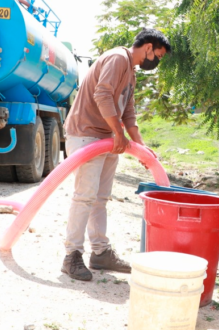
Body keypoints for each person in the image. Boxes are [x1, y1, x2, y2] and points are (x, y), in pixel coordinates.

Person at [61, 29, 171, 281]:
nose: (157, 61)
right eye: (159, 55)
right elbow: (102, 94)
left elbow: (128, 112)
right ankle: (71, 256)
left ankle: (100, 253)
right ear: (148, 47)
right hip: (88, 134)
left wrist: (141, 148)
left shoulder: (130, 72)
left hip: (107, 138)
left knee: (100, 198)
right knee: (85, 197)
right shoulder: (117, 58)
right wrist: (117, 133)